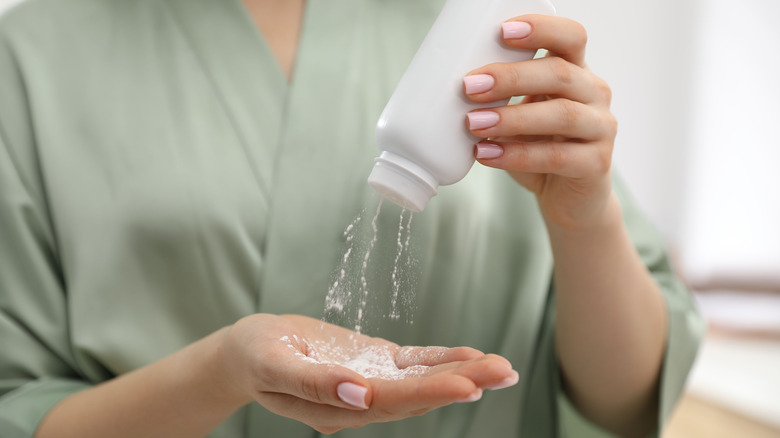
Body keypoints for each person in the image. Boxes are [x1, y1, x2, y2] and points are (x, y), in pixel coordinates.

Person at [0, 0, 703, 437]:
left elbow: (626, 405)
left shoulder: (473, 33)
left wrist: (585, 216)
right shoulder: (33, 57)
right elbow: (18, 409)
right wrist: (219, 373)